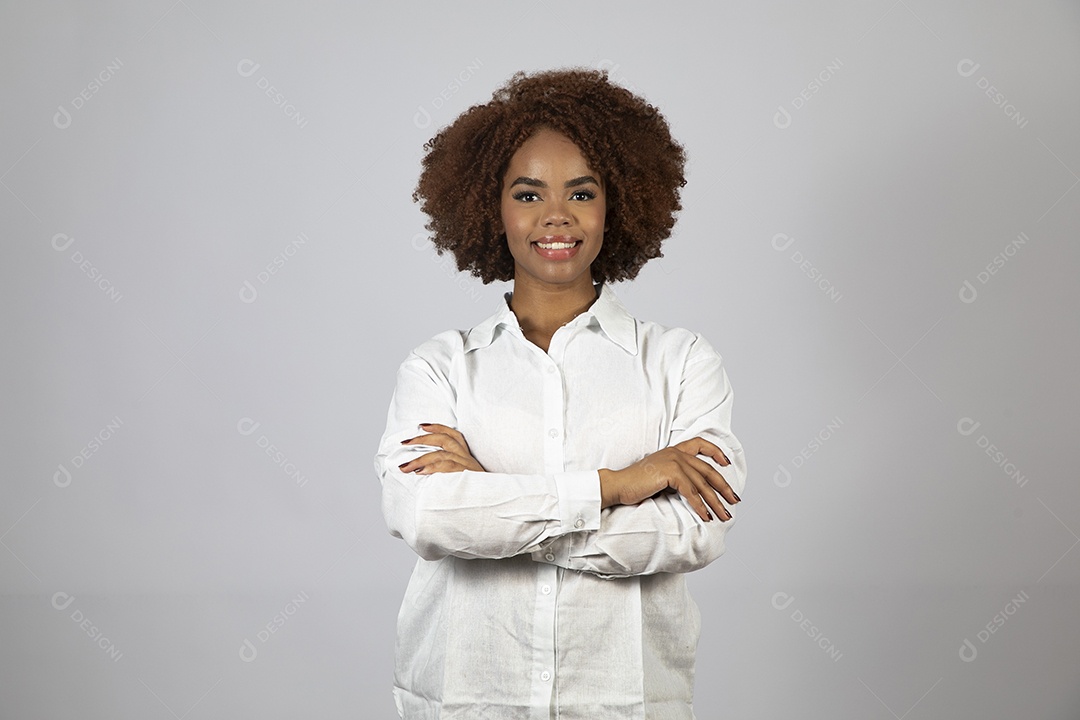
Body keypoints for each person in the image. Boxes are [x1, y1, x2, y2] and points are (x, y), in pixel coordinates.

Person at [375, 67, 747, 719]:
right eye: (527, 194)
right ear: (490, 207)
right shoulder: (439, 367)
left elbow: (693, 534)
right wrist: (613, 487)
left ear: (619, 203)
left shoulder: (681, 363)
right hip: (468, 702)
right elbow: (428, 518)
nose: (555, 216)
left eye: (581, 193)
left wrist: (492, 505)